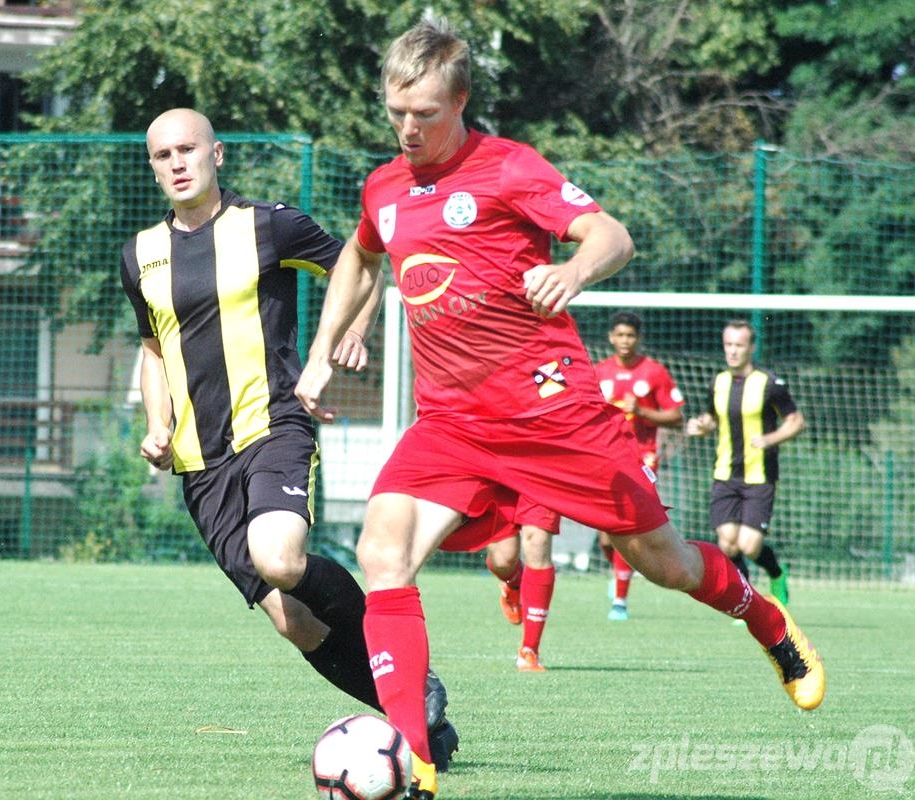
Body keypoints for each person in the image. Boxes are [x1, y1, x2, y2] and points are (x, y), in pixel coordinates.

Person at [293, 22, 824, 799]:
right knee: (383, 553)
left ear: (460, 102)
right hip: (451, 423)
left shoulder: (510, 167)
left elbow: (612, 234)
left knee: (667, 564)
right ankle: (417, 764)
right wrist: (323, 349)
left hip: (554, 417)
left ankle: (766, 621)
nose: (408, 128)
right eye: (396, 111)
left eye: (425, 113)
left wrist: (573, 271)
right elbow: (362, 255)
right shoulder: (385, 187)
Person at [119, 108, 458, 771]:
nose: (178, 163)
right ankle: (417, 725)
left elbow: (362, 267)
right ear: (153, 167)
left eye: (188, 149)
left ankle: (408, 674)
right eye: (163, 155)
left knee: (278, 557)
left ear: (217, 154)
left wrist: (348, 336)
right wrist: (157, 425)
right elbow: (153, 347)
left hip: (273, 425)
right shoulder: (140, 255)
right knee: (292, 620)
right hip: (201, 464)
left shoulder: (268, 224)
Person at [686, 320, 804, 606]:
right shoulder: (718, 382)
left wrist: (770, 438)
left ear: (751, 348)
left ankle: (777, 573)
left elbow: (796, 421)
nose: (732, 351)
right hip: (725, 473)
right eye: (728, 345)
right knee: (727, 543)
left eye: (739, 345)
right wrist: (702, 426)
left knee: (749, 546)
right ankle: (747, 600)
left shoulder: (769, 384)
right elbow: (712, 418)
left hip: (759, 475)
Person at [593, 311, 685, 620]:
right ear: (611, 337)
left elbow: (676, 417)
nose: (625, 341)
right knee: (606, 536)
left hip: (641, 458)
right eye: (620, 335)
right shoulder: (599, 372)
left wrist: (643, 412)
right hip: (606, 458)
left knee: (625, 524)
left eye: (630, 335)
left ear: (638, 338)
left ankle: (620, 600)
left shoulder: (654, 372)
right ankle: (620, 572)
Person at [484, 506, 559, 672]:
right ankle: (515, 584)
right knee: (503, 560)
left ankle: (529, 651)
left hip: (541, 488)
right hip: (504, 490)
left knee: (538, 541)